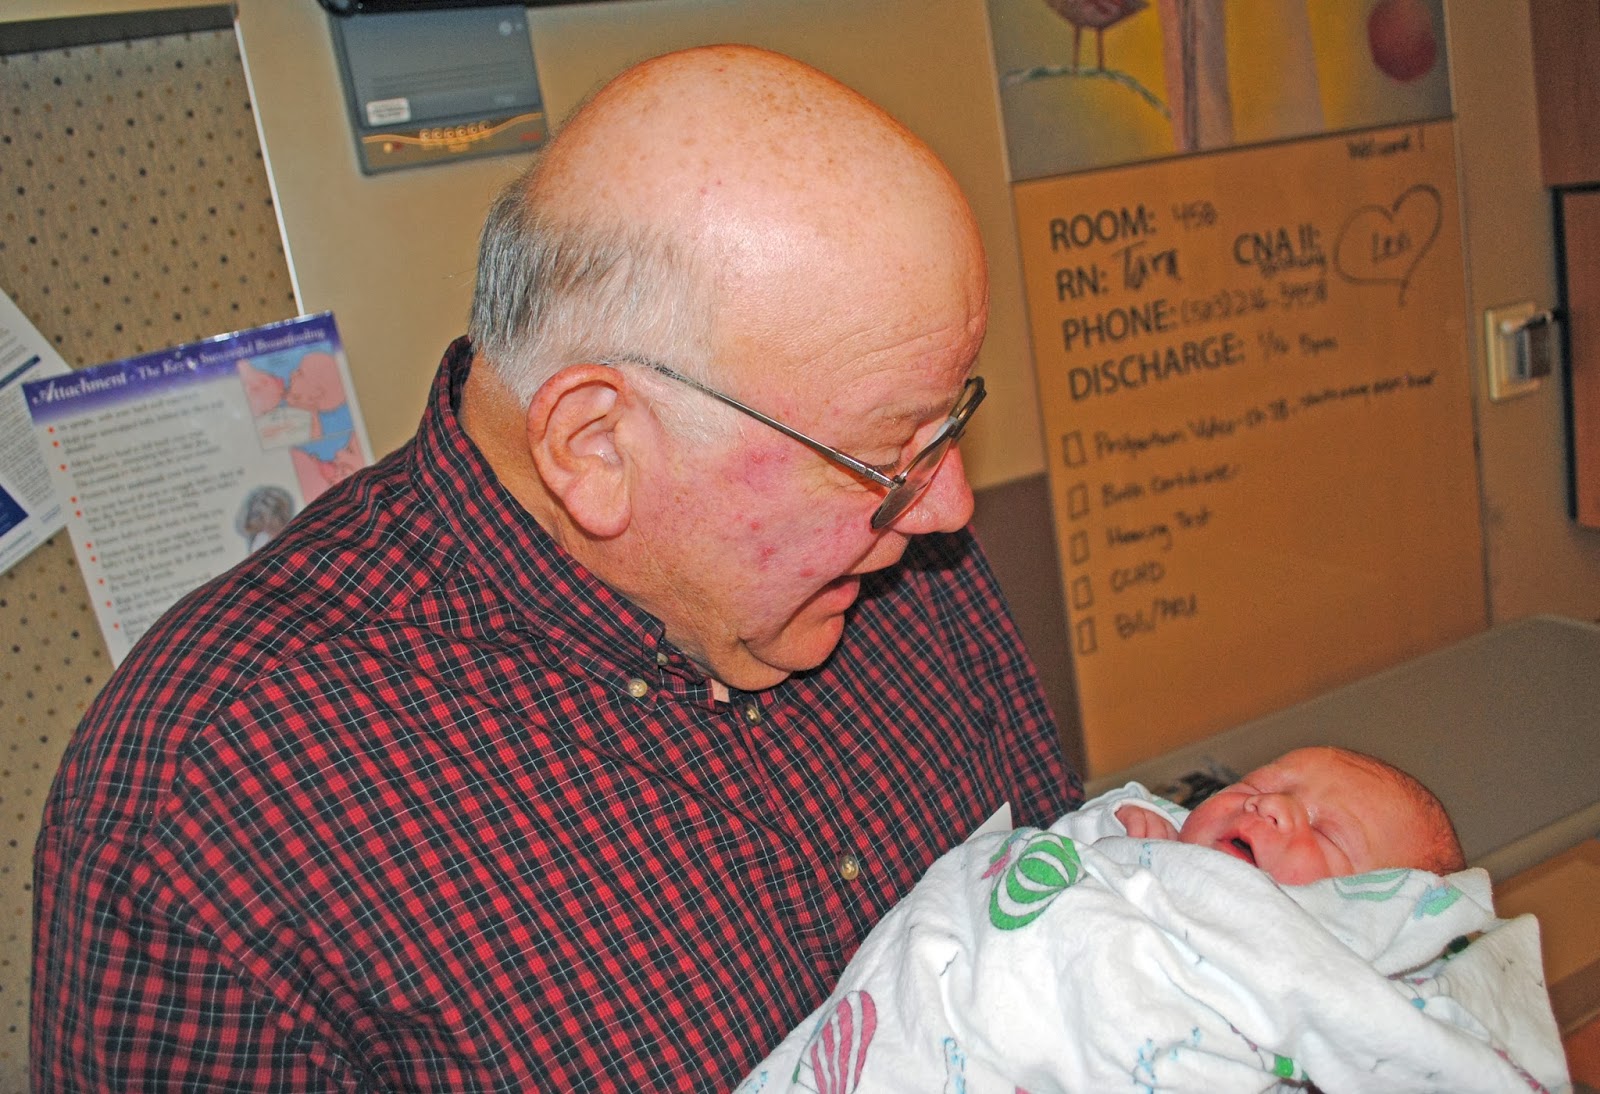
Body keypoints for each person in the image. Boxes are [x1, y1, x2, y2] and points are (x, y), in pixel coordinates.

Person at [31, 44, 1079, 1092]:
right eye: (886, 454)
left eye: (949, 422)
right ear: (595, 445)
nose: (946, 506)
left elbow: (1077, 940)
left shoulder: (894, 558)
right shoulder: (209, 800)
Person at [739, 746, 1569, 1093]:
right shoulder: (1140, 840)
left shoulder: (1312, 962)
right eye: (1261, 784)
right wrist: (1126, 852)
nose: (1272, 807)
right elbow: (1011, 889)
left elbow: (1425, 1054)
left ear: (1371, 922)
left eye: (1327, 833)